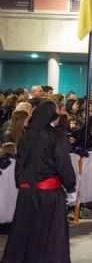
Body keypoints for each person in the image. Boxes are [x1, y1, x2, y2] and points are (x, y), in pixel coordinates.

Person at [1, 101, 76, 263]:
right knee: (49, 233)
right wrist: (70, 187)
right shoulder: (57, 135)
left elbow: (20, 164)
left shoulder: (26, 135)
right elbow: (63, 163)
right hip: (48, 194)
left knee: (24, 231)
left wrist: (21, 184)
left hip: (26, 193)